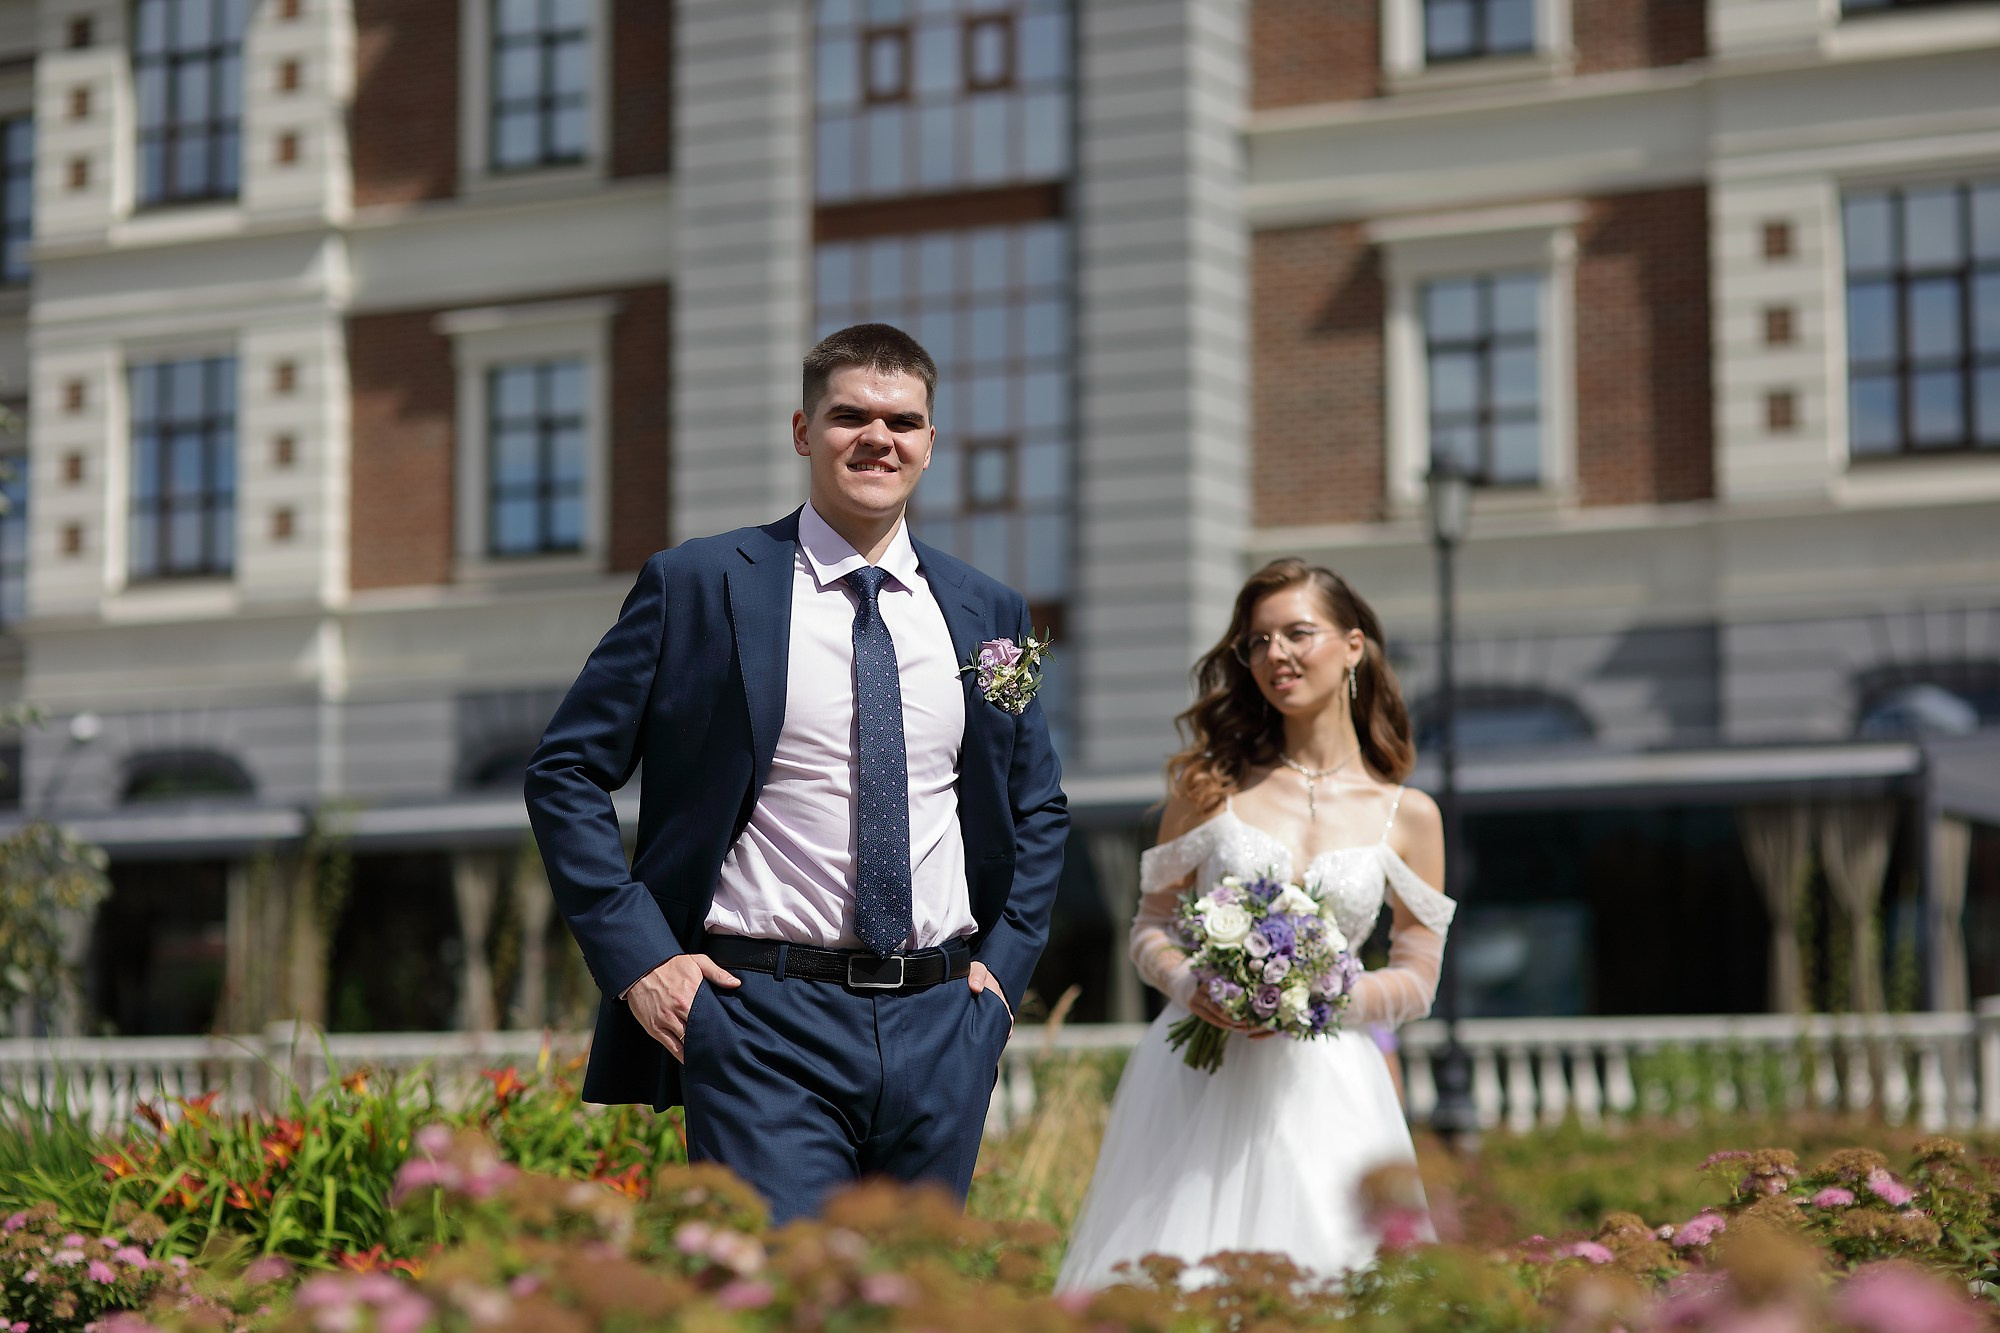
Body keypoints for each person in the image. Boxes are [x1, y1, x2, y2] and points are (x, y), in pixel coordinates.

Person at [525, 323, 1068, 1225]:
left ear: (931, 442)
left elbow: (1037, 807)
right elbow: (566, 770)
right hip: (761, 1020)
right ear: (803, 430)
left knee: (913, 1292)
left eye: (903, 421)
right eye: (850, 415)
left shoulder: (987, 610)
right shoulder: (699, 583)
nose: (878, 438)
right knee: (786, 1287)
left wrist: (1002, 975)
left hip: (946, 1022)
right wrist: (641, 957)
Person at [1057, 558, 1454, 1289]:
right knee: (1181, 1285)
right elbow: (1149, 927)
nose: (1276, 654)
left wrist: (1317, 996)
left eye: (1297, 633)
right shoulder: (1207, 787)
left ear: (1353, 646)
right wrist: (1193, 984)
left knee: (1335, 1282)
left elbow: (1419, 976)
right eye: (1258, 641)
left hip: (1333, 1083)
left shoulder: (1411, 815)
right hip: (1197, 1076)